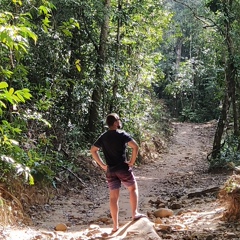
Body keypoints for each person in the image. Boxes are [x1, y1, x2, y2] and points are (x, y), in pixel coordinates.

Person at [90, 113, 146, 232]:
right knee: (133, 188)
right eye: (118, 120)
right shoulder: (122, 134)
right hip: (122, 168)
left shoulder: (103, 136)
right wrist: (131, 161)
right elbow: (135, 147)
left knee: (113, 198)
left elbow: (93, 150)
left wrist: (102, 165)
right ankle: (134, 213)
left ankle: (115, 226)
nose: (119, 122)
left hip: (110, 170)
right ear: (115, 122)